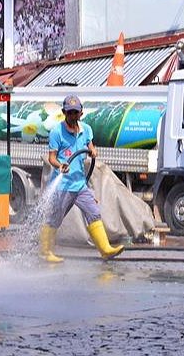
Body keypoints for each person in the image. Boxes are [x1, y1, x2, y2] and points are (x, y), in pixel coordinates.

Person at [40, 94, 125, 263]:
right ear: (64, 112)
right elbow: (51, 158)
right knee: (54, 219)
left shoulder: (86, 129)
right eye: (69, 112)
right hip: (62, 185)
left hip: (80, 185)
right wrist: (60, 166)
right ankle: (45, 252)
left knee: (93, 212)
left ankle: (105, 250)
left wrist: (93, 150)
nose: (72, 116)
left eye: (75, 113)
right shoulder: (57, 132)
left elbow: (89, 145)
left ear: (81, 113)